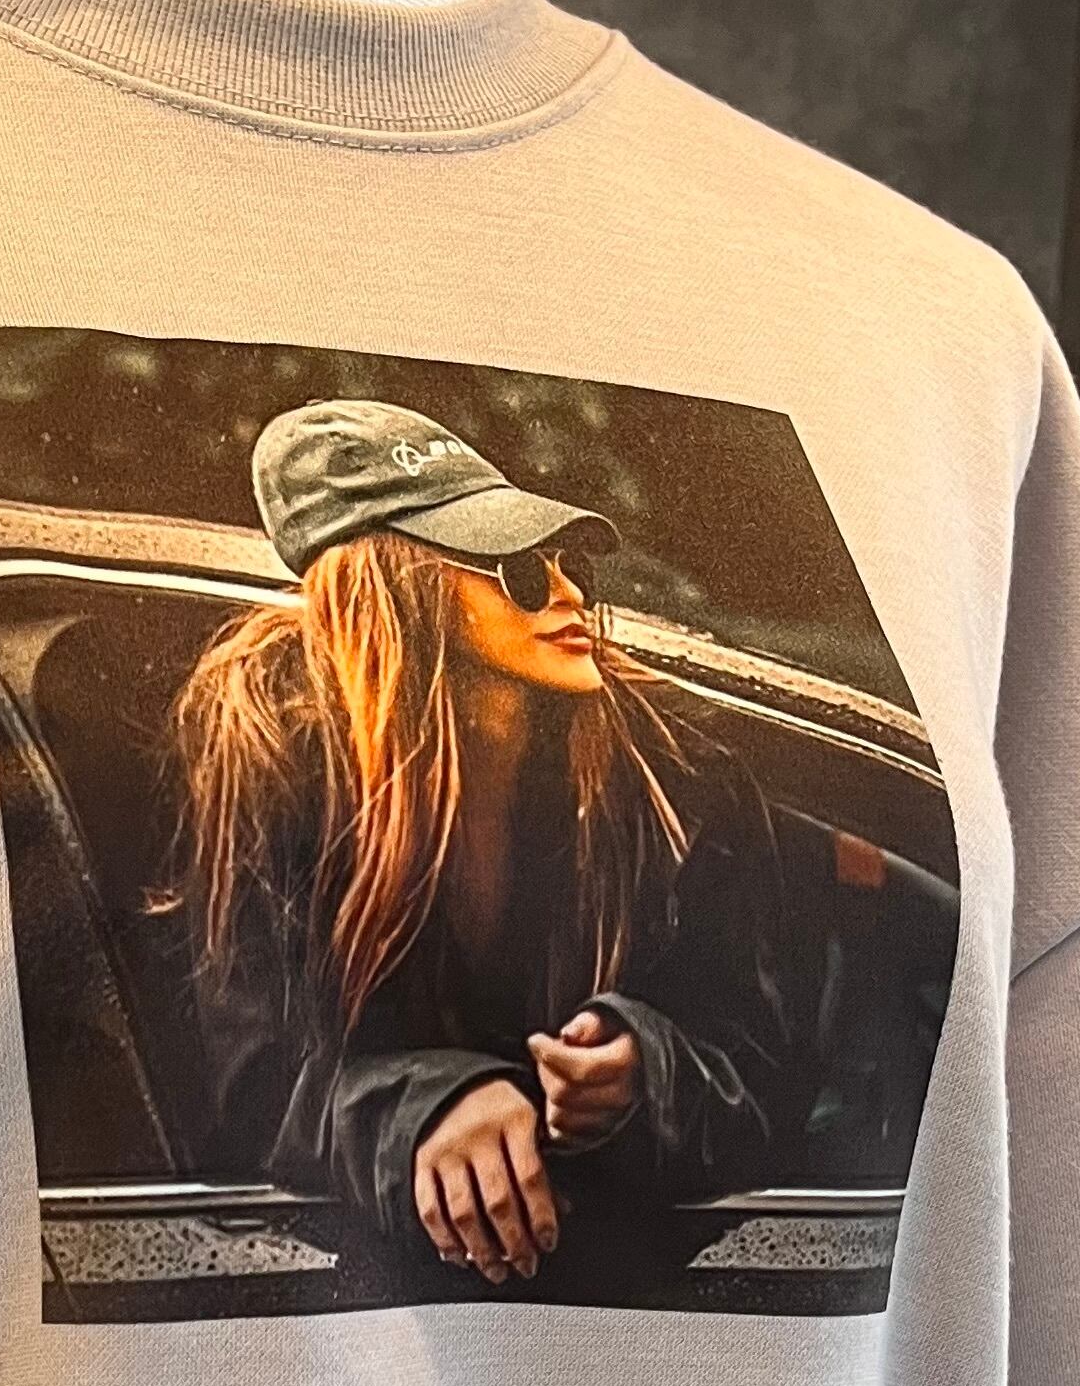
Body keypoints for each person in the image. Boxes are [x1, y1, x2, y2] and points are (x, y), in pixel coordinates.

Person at [167, 395, 807, 1283]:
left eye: (566, 563)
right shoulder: (281, 773)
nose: (568, 594)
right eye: (519, 573)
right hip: (364, 1299)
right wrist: (420, 1110)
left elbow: (771, 1080)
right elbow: (243, 1090)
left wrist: (642, 1072)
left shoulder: (676, 779)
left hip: (633, 1289)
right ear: (398, 591)